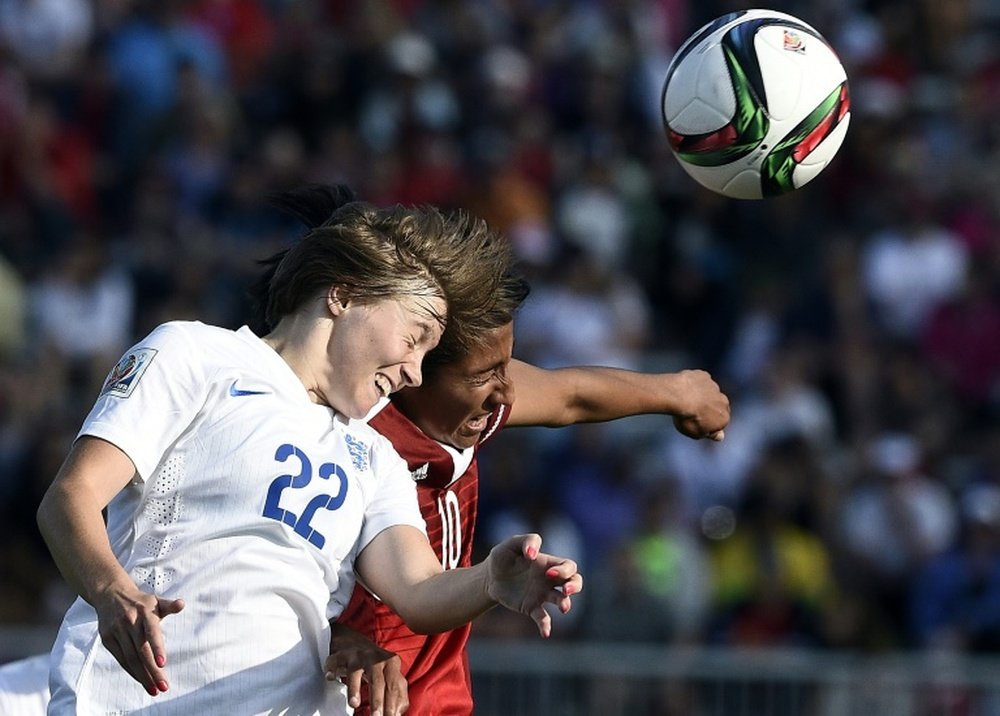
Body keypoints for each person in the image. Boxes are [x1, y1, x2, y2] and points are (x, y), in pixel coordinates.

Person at [35, 187, 583, 716]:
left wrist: (490, 580)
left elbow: (418, 589)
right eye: (414, 338)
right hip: (136, 700)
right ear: (343, 296)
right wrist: (111, 591)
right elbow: (72, 497)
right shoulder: (196, 355)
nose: (415, 371)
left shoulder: (375, 457)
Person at [263, 187, 731, 715]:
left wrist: (678, 391)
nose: (507, 392)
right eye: (485, 375)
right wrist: (337, 635)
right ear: (414, 369)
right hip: (340, 699)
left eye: (506, 367)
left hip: (441, 699)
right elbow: (260, 570)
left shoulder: (468, 409)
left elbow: (570, 394)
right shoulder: (341, 440)